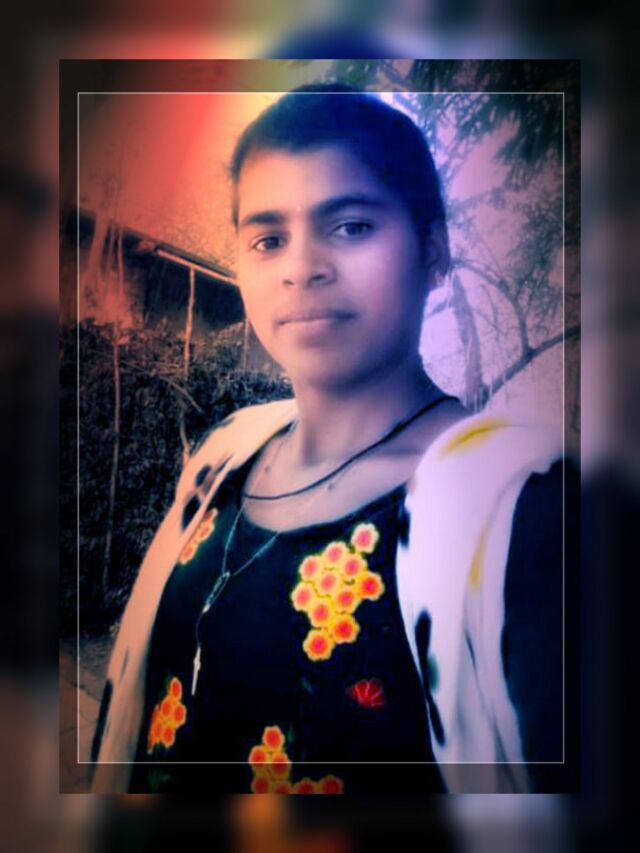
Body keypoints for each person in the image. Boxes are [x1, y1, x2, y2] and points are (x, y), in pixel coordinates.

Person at [91, 85, 569, 794]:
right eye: (268, 239)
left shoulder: (524, 507)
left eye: (350, 226)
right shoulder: (223, 459)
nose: (301, 267)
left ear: (433, 248)